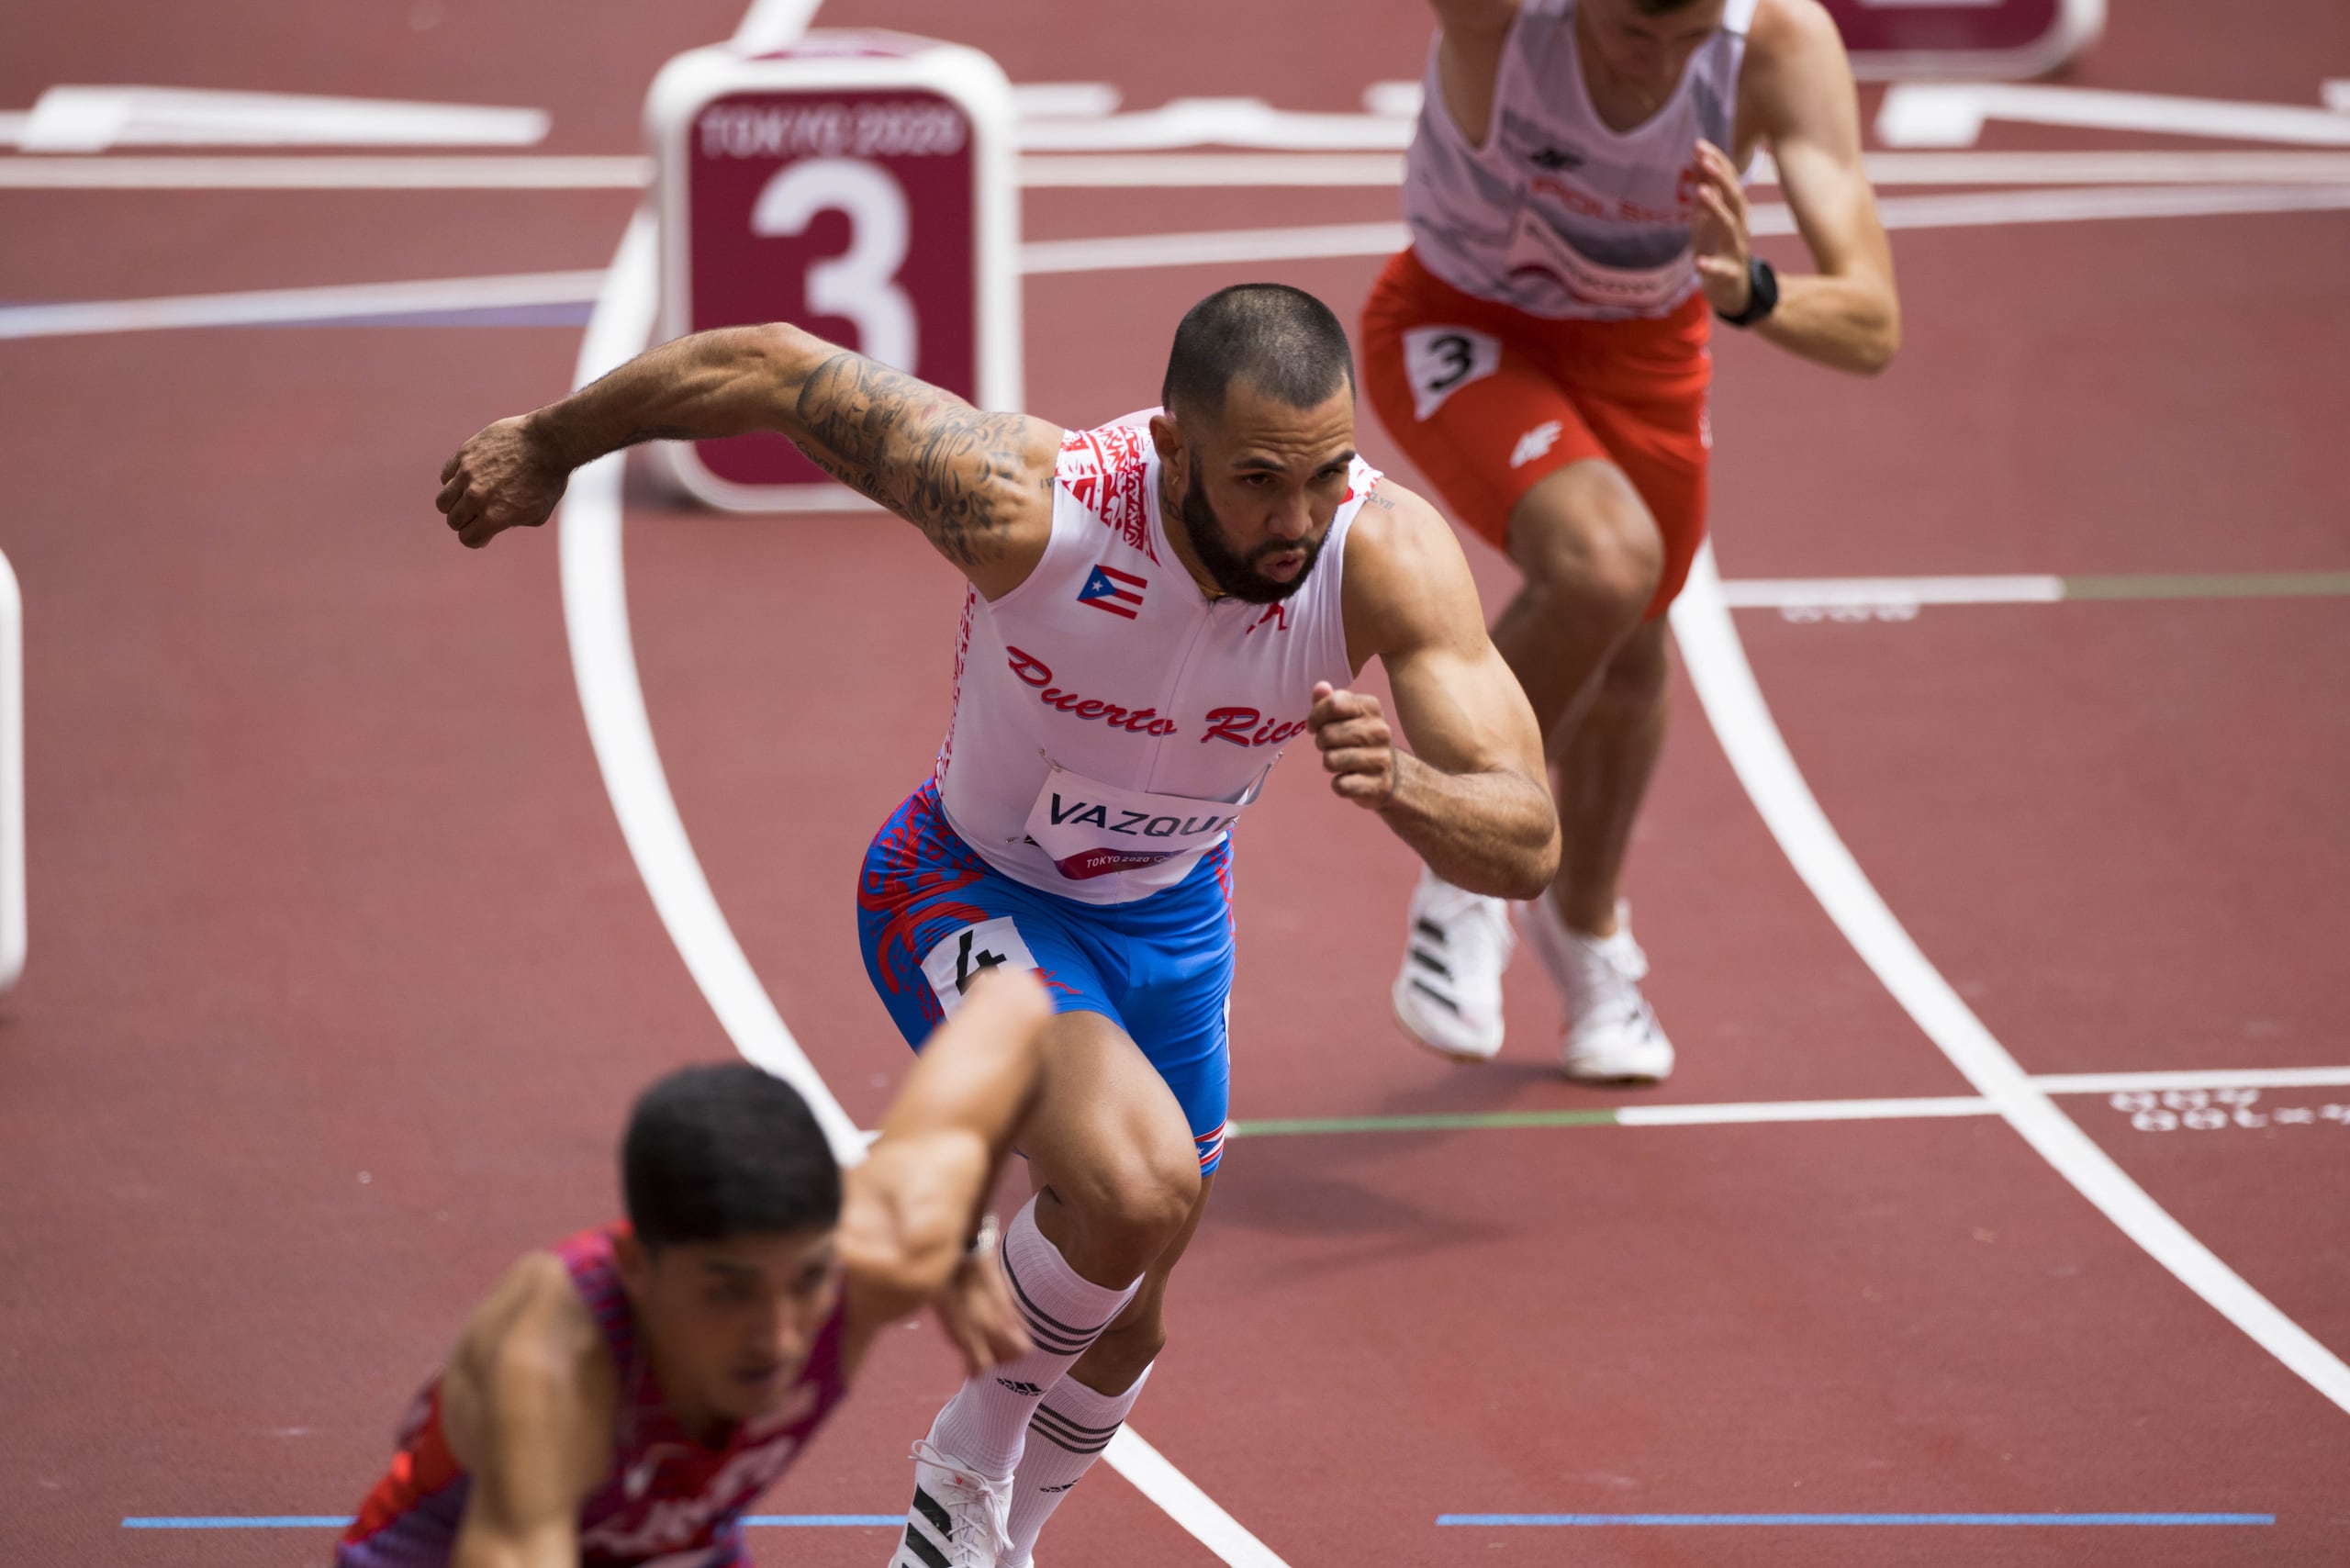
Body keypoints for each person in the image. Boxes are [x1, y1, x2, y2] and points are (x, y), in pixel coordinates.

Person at [433, 282, 1559, 1567]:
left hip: (1174, 922)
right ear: (1174, 448)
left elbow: (1527, 836)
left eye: (1326, 474)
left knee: (1125, 1310)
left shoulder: (1381, 556)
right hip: (965, 887)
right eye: (1258, 481)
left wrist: (1406, 786)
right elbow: (768, 366)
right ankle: (955, 1487)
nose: (1297, 520)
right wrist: (548, 443)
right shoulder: (1036, 501)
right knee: (1134, 1190)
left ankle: (998, 1540)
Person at [1362, 0, 1900, 1081]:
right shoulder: (1503, 22)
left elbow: (1871, 322)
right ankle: (1468, 863)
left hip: (1649, 350)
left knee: (1631, 641)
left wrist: (1750, 291)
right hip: (1464, 322)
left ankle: (1588, 931)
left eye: (1683, 38)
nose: (1652, 61)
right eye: (1626, 31)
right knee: (1603, 563)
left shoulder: (1777, 44)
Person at [334, 969, 1052, 1568]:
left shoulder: (873, 1255)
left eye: (804, 1284)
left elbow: (1011, 1006)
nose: (776, 1339)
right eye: (728, 1293)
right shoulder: (554, 1369)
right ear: (635, 1268)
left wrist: (960, 1239)